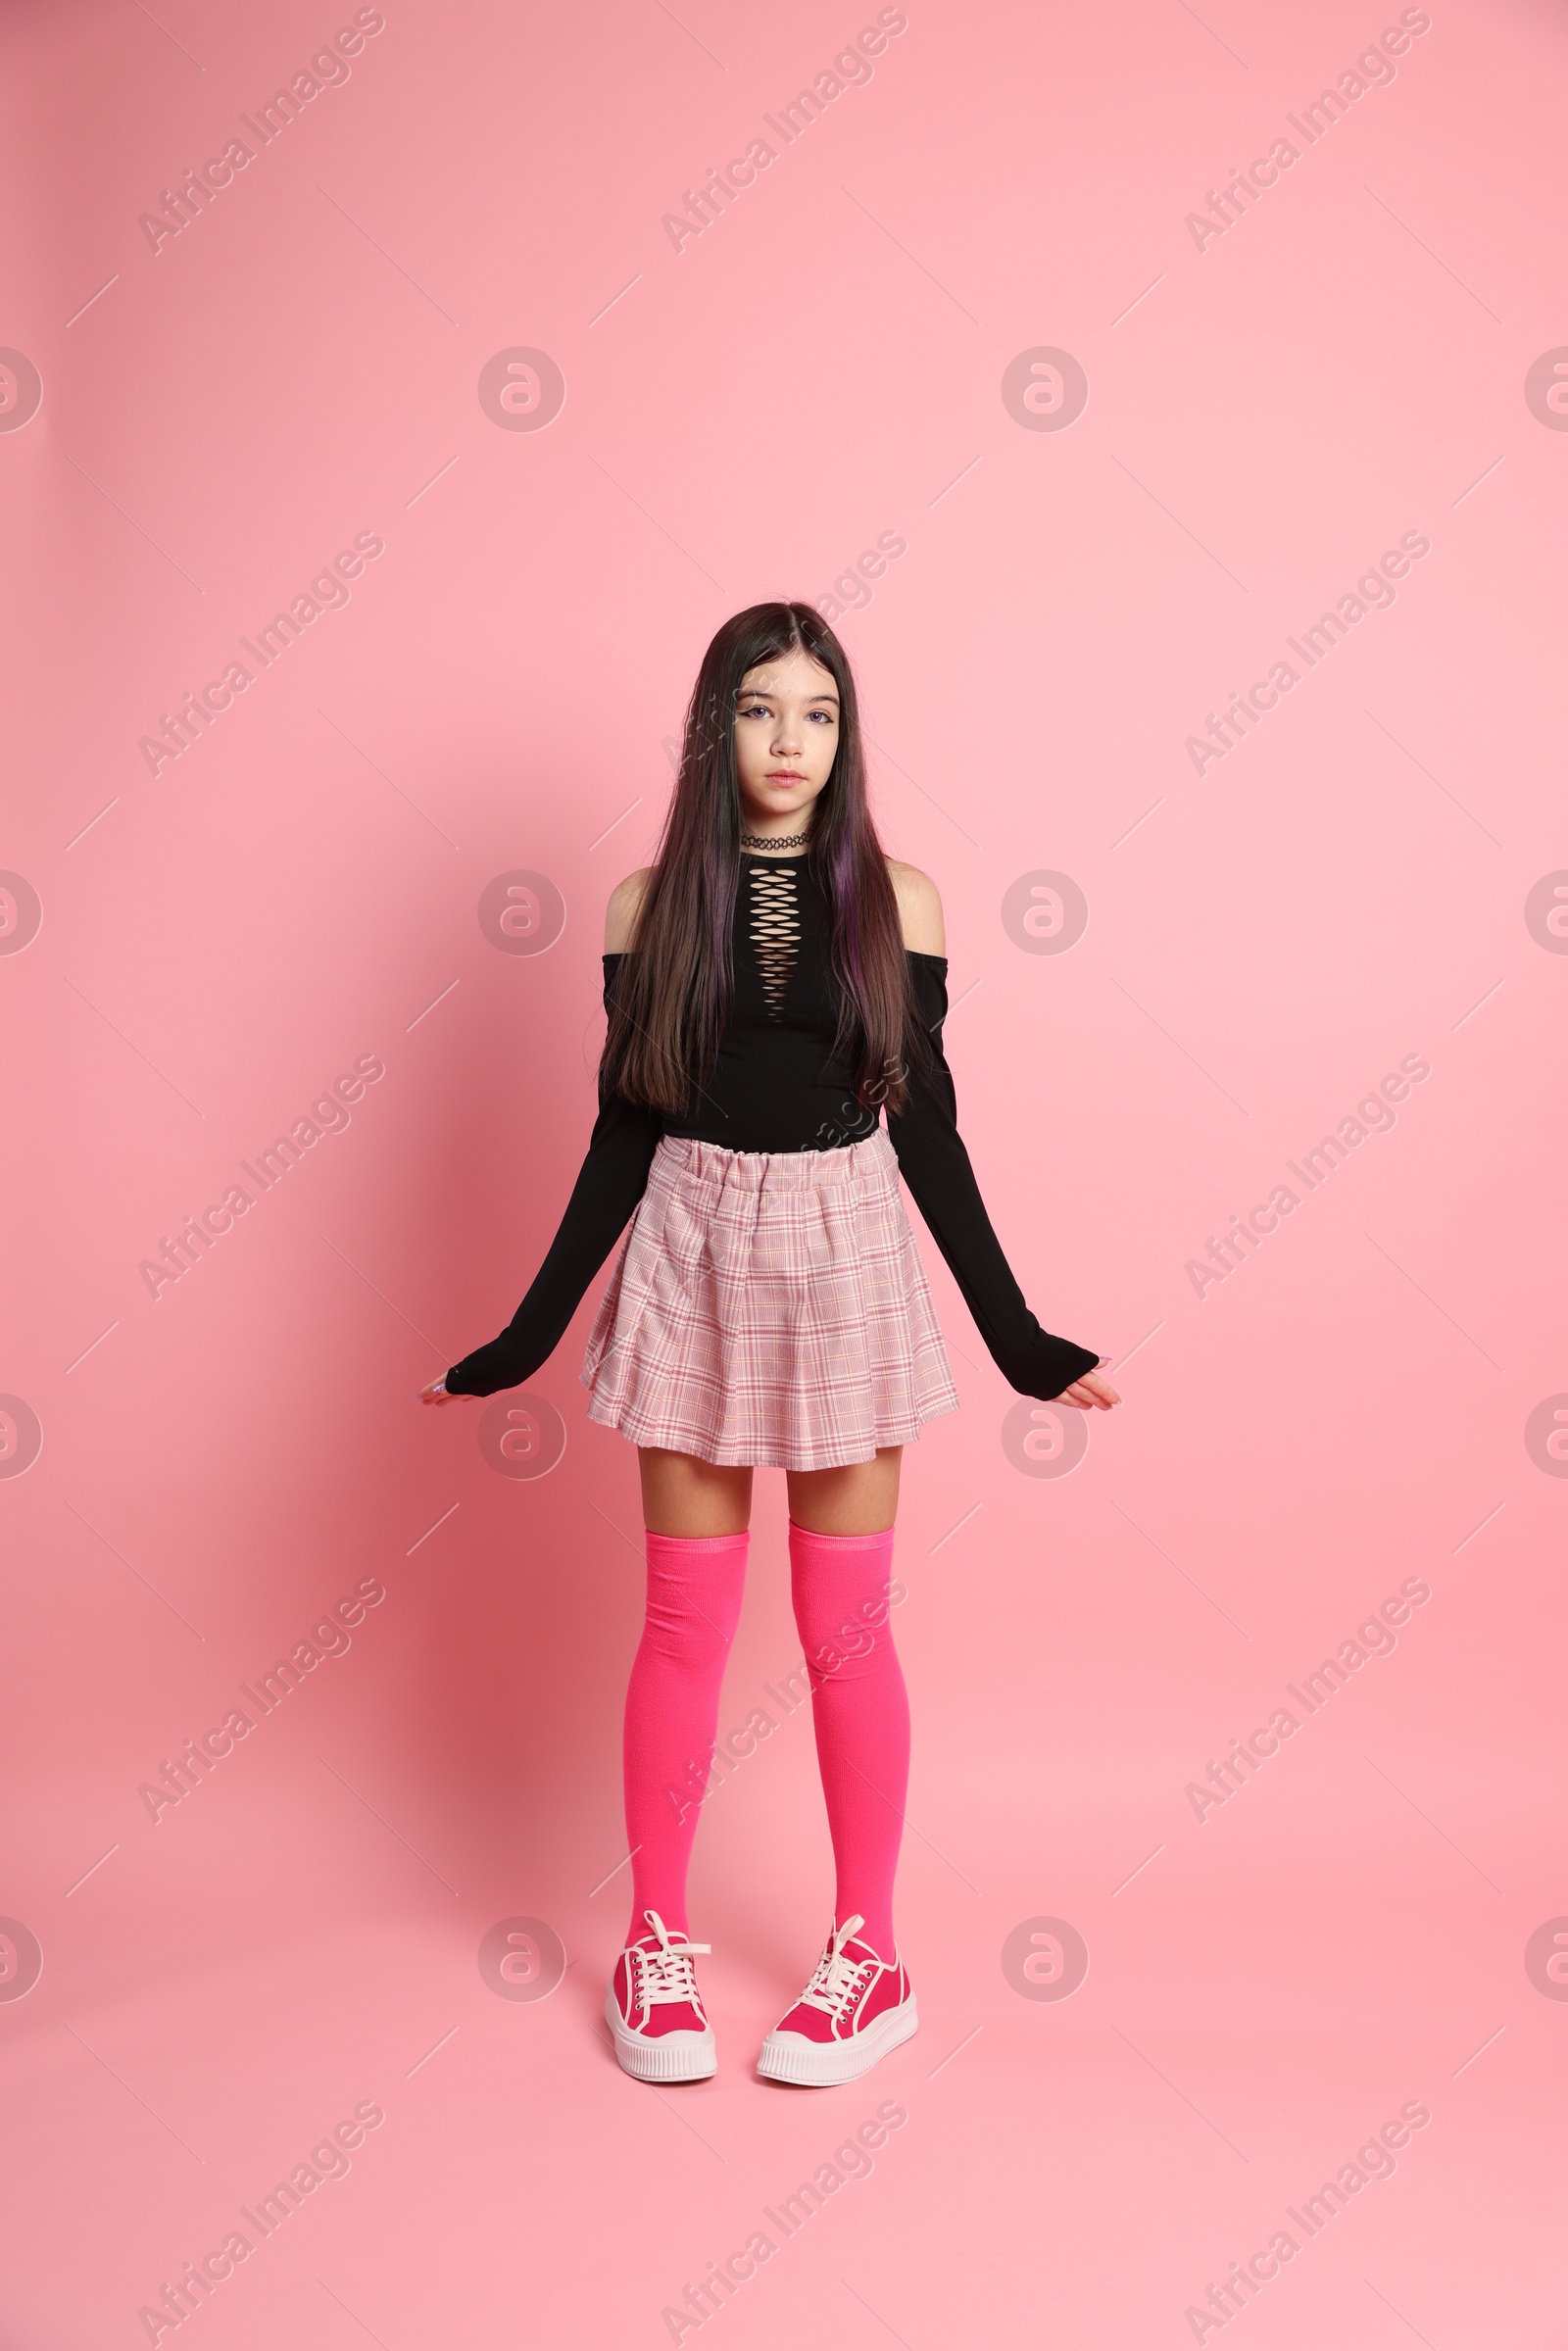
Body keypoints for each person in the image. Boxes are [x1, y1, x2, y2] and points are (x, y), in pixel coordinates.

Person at [421, 602, 1120, 2087]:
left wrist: (1019, 1336)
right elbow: (624, 1131)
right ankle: (654, 1944)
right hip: (691, 1246)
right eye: (758, 712)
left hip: (848, 1244)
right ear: (714, 730)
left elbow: (925, 1124)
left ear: (845, 733)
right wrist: (528, 1332)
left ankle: (870, 1952)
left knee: (847, 1627)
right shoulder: (644, 906)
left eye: (815, 713)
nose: (789, 742)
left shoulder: (903, 900)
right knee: (685, 1622)